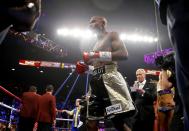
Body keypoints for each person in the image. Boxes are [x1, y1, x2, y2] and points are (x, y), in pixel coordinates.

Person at [76, 16, 135, 131]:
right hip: (96, 82)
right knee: (91, 121)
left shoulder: (112, 35)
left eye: (93, 21)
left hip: (110, 81)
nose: (90, 24)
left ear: (102, 23)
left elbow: (124, 54)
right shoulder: (95, 44)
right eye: (89, 22)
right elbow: (98, 67)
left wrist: (97, 55)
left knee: (117, 121)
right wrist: (86, 68)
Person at [157, 0, 189, 130]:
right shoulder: (165, 71)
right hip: (164, 99)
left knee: (170, 123)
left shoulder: (166, 72)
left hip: (168, 99)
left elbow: (167, 85)